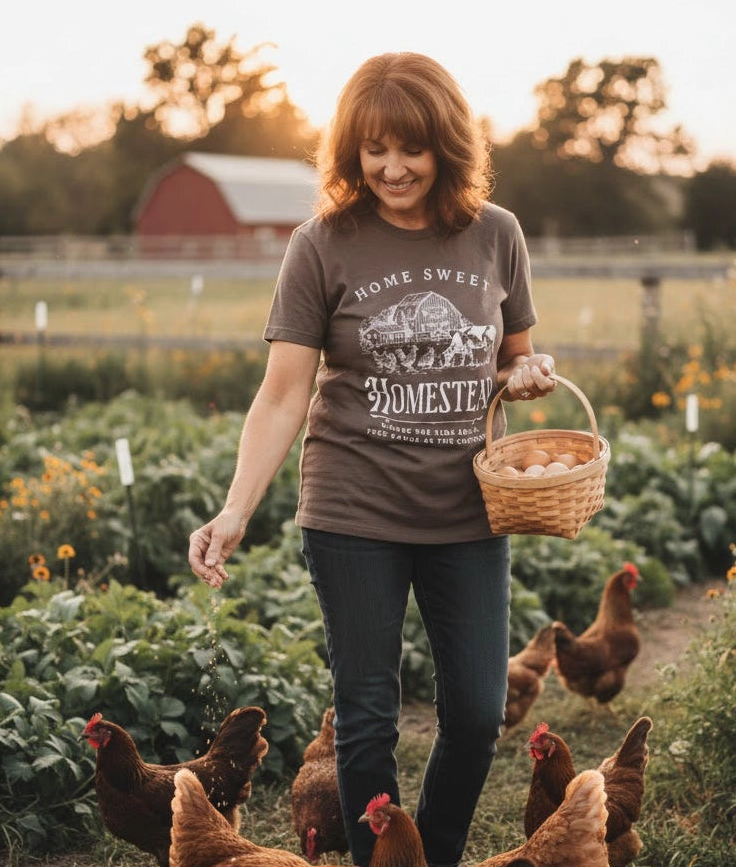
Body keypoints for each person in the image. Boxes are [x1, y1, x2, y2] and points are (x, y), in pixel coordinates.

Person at [188, 51, 557, 867]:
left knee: (473, 712)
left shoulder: (497, 234)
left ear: (446, 146)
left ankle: (432, 855)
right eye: (373, 149)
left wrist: (526, 374)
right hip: (353, 511)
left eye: (412, 149)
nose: (392, 167)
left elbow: (514, 358)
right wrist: (235, 509)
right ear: (351, 150)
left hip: (467, 512)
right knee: (366, 717)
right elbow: (284, 391)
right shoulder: (322, 243)